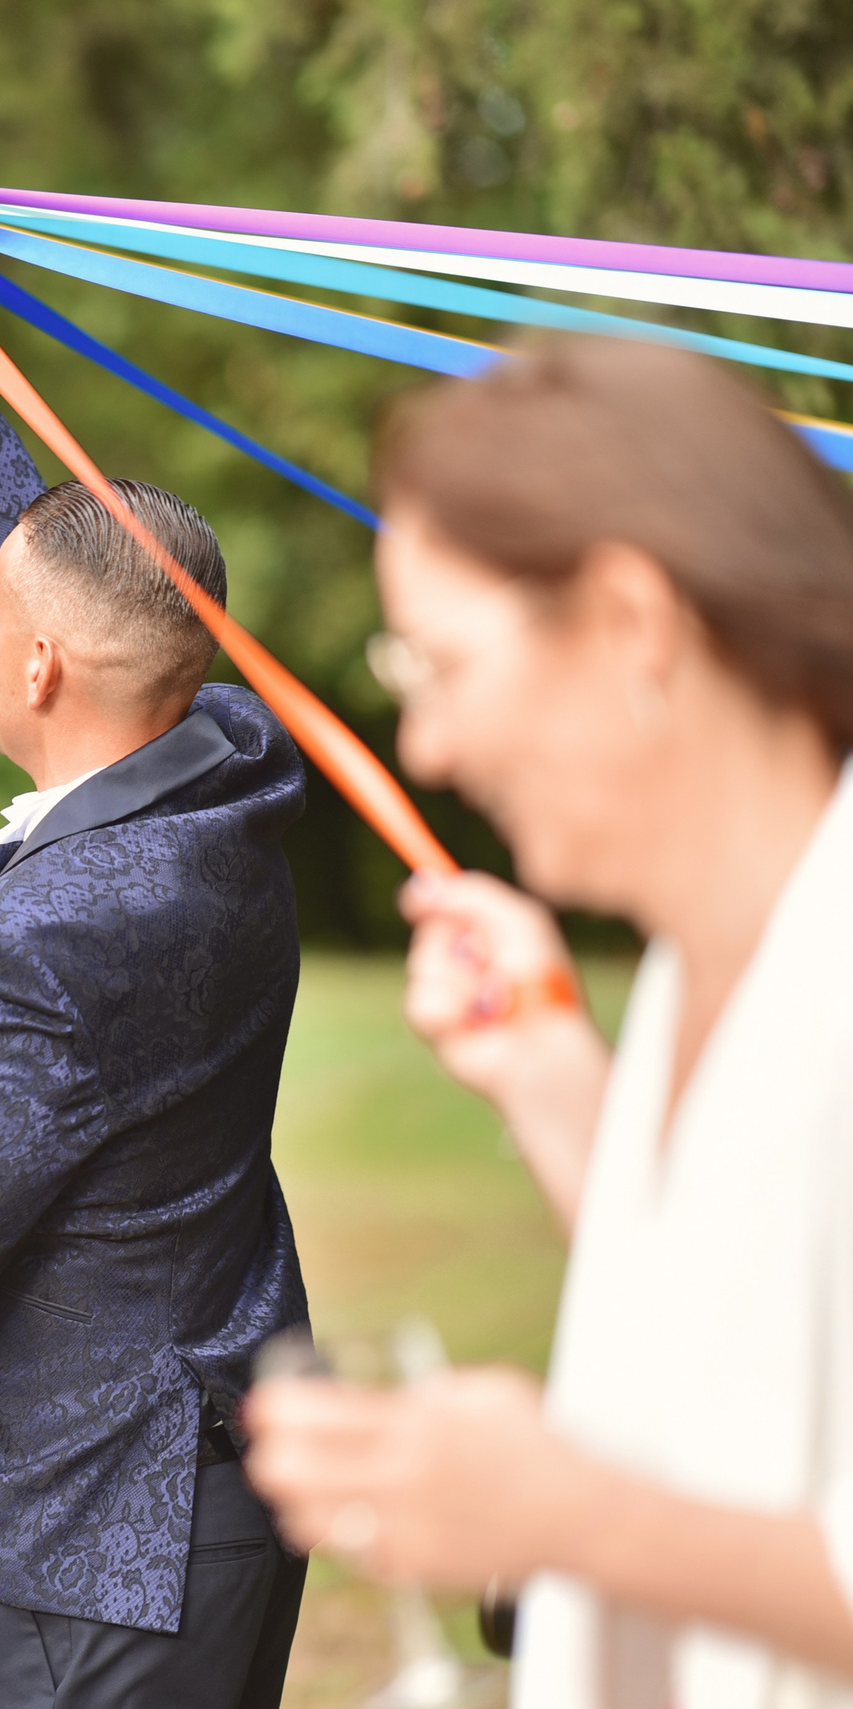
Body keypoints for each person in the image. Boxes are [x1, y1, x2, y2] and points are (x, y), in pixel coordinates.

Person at [242, 338, 853, 1708]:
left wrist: (565, 1517)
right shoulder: (702, 968)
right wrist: (556, 1084)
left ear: (632, 623)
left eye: (442, 666)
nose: (431, 750)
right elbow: (739, 1336)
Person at [0, 281, 313, 1708]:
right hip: (216, 1477)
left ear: (33, 666)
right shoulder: (234, 757)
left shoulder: (34, 941)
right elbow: (77, 564)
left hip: (105, 1531)